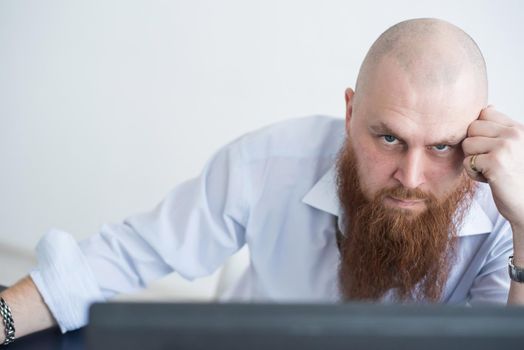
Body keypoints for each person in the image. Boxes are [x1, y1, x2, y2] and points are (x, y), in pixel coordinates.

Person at [1, 17, 524, 345]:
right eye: (388, 138)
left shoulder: (504, 218)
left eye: (441, 147)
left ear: (475, 138)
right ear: (349, 112)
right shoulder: (267, 164)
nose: (410, 178)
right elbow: (121, 257)